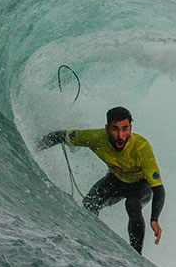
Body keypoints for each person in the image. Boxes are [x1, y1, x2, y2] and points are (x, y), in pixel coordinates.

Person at [36, 106, 165, 253]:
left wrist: (154, 219)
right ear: (107, 128)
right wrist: (34, 146)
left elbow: (159, 189)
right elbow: (61, 136)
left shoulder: (141, 147)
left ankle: (136, 255)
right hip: (115, 180)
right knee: (90, 204)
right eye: (115, 129)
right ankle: (87, 244)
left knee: (132, 204)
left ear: (130, 128)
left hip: (141, 186)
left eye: (125, 129)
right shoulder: (96, 138)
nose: (120, 135)